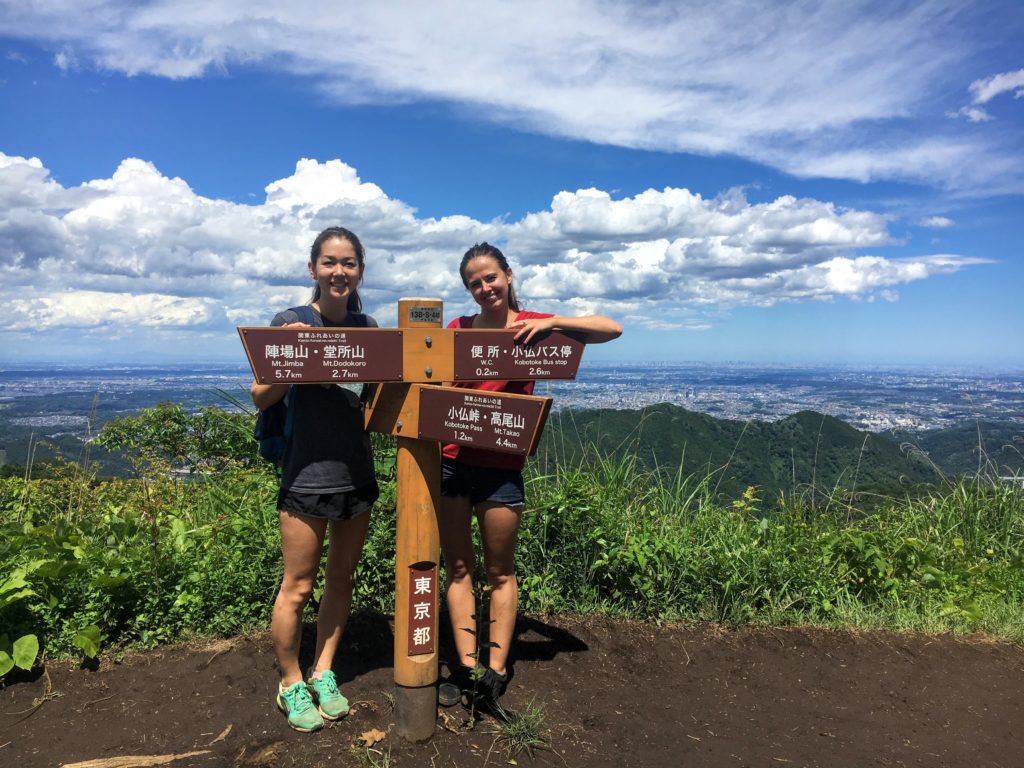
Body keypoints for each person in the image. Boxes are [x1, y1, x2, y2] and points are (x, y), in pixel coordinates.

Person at [438, 242, 621, 706]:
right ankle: (466, 665)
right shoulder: (457, 330)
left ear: (508, 275)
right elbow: (429, 379)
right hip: (453, 461)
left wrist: (554, 323)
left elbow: (611, 328)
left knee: (500, 570)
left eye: (491, 278)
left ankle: (495, 670)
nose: (484, 288)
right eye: (475, 283)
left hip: (502, 466)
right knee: (459, 567)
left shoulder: (533, 325)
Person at [250, 227, 378, 733]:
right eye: (329, 262)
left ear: (359, 271)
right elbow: (262, 396)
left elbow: (375, 401)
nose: (339, 272)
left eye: (348, 263)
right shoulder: (291, 322)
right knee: (298, 587)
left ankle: (323, 672)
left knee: (340, 582)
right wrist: (296, 355)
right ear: (313, 270)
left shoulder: (368, 330)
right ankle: (289, 683)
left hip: (356, 472)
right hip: (305, 474)